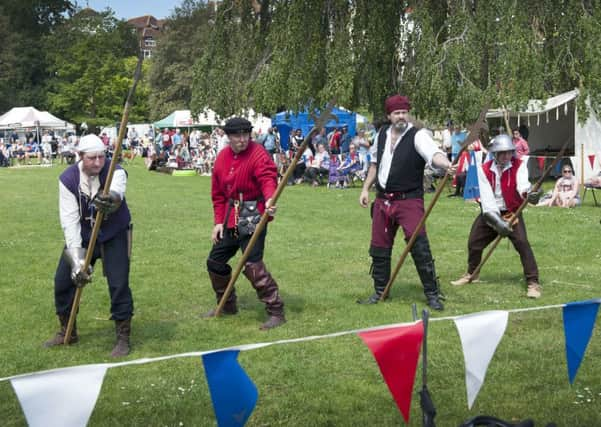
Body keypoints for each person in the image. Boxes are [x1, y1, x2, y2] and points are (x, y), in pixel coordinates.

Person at [358, 94, 454, 310]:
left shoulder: (418, 135)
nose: (401, 116)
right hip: (383, 200)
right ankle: (380, 291)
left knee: (419, 245)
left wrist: (446, 164)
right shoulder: (381, 134)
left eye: (404, 112)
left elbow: (434, 154)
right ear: (389, 115)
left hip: (409, 200)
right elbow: (374, 165)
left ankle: (432, 293)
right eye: (396, 113)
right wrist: (365, 189)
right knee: (379, 247)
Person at [43, 134, 134, 356]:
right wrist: (77, 262)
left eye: (101, 157)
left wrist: (110, 198)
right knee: (63, 280)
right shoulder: (67, 179)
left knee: (118, 282)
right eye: (92, 158)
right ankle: (68, 330)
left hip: (114, 233)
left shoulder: (115, 171)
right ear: (80, 156)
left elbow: (117, 191)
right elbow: (69, 221)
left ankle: (123, 337)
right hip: (83, 236)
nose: (97, 163)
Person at [203, 117, 285, 330]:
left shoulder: (258, 154)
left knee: (252, 265)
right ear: (228, 137)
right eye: (237, 136)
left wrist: (269, 199)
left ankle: (276, 311)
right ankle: (227, 305)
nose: (242, 140)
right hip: (231, 217)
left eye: (245, 135)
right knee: (215, 261)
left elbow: (268, 178)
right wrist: (218, 222)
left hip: (254, 215)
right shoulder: (222, 158)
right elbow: (218, 195)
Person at [451, 134, 542, 298]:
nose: (507, 156)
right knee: (474, 242)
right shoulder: (484, 169)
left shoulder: (519, 165)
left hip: (512, 211)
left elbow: (523, 185)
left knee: (522, 244)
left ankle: (533, 283)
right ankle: (472, 274)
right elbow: (486, 199)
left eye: (509, 152)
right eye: (502, 152)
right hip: (490, 212)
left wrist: (529, 194)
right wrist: (498, 223)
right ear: (495, 153)